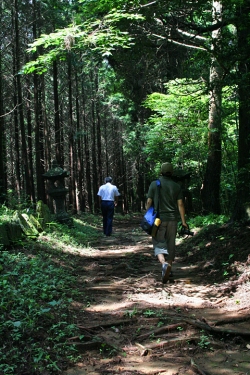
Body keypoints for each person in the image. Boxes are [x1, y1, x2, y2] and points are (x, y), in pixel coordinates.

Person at [146, 162, 188, 283]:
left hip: (158, 220)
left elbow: (149, 202)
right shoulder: (176, 186)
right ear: (172, 172)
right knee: (171, 244)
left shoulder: (154, 184)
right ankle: (169, 265)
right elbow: (180, 204)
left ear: (161, 172)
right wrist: (184, 222)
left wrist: (147, 215)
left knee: (158, 243)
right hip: (173, 220)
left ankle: (164, 264)